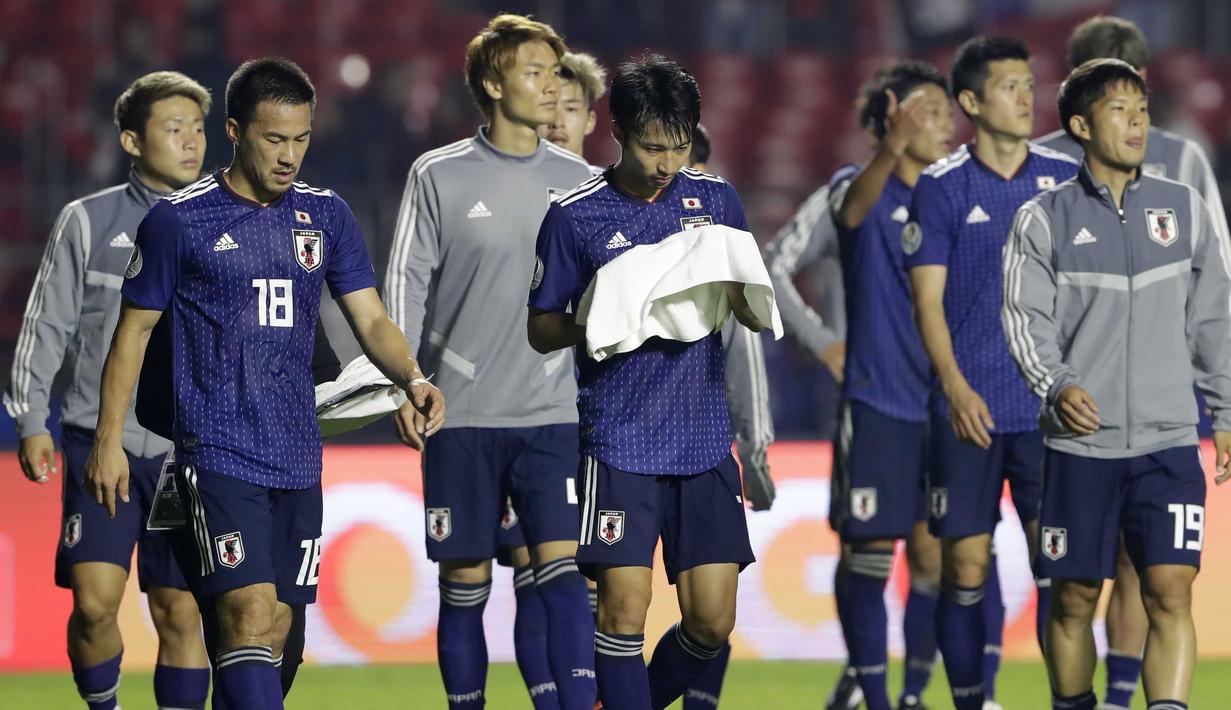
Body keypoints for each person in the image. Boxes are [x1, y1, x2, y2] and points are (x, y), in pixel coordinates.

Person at [85, 57, 444, 710]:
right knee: (247, 614)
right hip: (216, 452)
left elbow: (370, 318)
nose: (289, 156)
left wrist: (413, 377)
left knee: (279, 631)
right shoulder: (178, 220)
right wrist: (109, 440)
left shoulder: (325, 216)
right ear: (234, 129)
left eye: (301, 139)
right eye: (273, 139)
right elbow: (131, 334)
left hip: (298, 454)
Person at [528, 54, 762, 710]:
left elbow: (743, 300)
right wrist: (601, 314)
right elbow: (540, 328)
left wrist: (744, 301)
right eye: (653, 147)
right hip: (619, 444)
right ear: (618, 133)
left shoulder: (714, 200)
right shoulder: (576, 217)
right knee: (622, 616)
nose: (666, 162)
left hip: (704, 444)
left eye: (679, 145)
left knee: (712, 623)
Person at [1002, 57, 1231, 710]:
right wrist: (1055, 383)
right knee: (1072, 598)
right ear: (1079, 125)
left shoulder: (1182, 208)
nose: (1136, 122)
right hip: (1081, 448)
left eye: (1141, 108)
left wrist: (1224, 410)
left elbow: (1213, 317)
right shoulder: (1042, 219)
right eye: (1117, 110)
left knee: (1169, 591)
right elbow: (1024, 322)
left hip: (1166, 442)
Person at [384, 15, 597, 709]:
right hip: (462, 414)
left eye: (554, 74)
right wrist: (405, 382)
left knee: (564, 570)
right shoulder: (438, 174)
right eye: (533, 72)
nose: (548, 87)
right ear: (490, 83)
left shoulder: (583, 181)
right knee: (465, 583)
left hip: (553, 414)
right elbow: (404, 286)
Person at [4, 71, 213, 710]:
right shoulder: (88, 221)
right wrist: (31, 419)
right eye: (173, 129)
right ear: (130, 139)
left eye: (199, 129)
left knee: (180, 610)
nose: (191, 143)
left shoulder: (226, 222)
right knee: (95, 604)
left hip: (190, 454)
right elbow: (47, 326)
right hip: (102, 444)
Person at [902, 36, 1080, 710]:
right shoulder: (942, 187)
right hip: (967, 409)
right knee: (965, 567)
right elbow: (927, 302)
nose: (1025, 95)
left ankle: (1068, 699)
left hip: (1045, 413)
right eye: (1009, 85)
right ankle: (971, 702)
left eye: (1028, 83)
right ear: (971, 103)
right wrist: (952, 386)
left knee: (1059, 572)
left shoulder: (1063, 179)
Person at [826, 61, 954, 710]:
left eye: (946, 113)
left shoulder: (953, 200)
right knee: (867, 558)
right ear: (892, 113)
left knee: (934, 562)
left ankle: (910, 696)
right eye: (929, 111)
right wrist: (892, 148)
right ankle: (870, 697)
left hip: (940, 408)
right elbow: (848, 215)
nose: (946, 125)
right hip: (877, 401)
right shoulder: (861, 187)